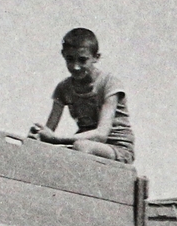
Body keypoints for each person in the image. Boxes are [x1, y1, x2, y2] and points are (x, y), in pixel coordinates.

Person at [28, 27, 136, 163]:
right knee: (45, 150)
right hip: (84, 147)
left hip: (117, 149)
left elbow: (101, 134)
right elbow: (49, 130)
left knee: (81, 146)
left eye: (82, 60)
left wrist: (56, 139)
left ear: (96, 58)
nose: (75, 66)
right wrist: (39, 136)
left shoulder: (109, 83)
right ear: (63, 55)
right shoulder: (63, 88)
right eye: (70, 59)